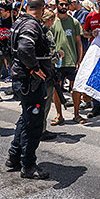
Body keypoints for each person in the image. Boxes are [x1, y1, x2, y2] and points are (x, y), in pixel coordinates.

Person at [6, 0, 50, 179]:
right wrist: (35, 69)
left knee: (26, 118)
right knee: (33, 124)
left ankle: (14, 156)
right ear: (42, 8)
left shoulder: (20, 22)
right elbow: (24, 48)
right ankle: (28, 165)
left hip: (24, 79)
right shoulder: (30, 25)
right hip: (29, 82)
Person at [51, 0, 86, 125]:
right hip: (56, 63)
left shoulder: (74, 22)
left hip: (72, 61)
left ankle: (76, 114)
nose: (64, 7)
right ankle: (59, 115)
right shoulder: (52, 22)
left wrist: (79, 59)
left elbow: (79, 42)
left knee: (75, 89)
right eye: (61, 4)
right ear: (57, 5)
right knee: (57, 89)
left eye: (66, 4)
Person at [40, 9, 60, 141]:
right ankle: (41, 129)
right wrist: (59, 55)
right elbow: (52, 56)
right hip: (46, 72)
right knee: (45, 104)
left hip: (37, 72)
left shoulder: (36, 30)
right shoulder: (47, 33)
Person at [0, 0, 14, 102]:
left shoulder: (14, 21)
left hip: (10, 50)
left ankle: (16, 91)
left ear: (8, 11)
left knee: (14, 72)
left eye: (2, 10)